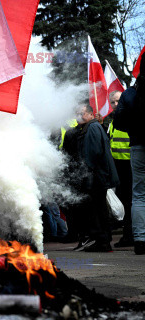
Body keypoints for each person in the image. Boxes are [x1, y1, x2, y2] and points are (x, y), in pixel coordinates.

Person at [62, 104, 119, 252]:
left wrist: (86, 176)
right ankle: (102, 241)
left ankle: (102, 241)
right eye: (77, 114)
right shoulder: (89, 127)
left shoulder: (92, 128)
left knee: (98, 211)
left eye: (82, 114)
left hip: (96, 178)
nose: (78, 117)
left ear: (90, 114)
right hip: (96, 177)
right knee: (98, 210)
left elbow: (92, 155)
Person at [114, 60, 145, 255]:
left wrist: (134, 130)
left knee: (139, 194)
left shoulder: (129, 94)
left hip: (138, 145)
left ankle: (140, 240)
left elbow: (118, 122)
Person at [106, 90, 134, 247]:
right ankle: (128, 235)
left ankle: (130, 236)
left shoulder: (128, 118)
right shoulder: (112, 123)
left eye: (117, 101)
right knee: (125, 202)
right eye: (113, 102)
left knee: (130, 202)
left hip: (130, 166)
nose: (115, 104)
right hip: (118, 168)